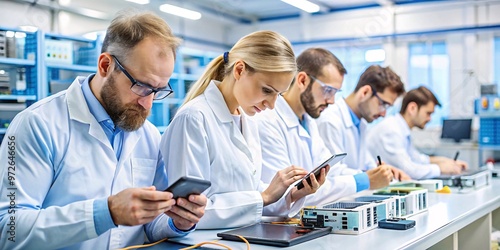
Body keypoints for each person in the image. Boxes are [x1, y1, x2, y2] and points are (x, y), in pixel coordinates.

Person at [0, 11, 206, 249]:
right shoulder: (36, 125)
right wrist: (105, 213)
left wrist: (177, 222)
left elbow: (150, 224)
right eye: (141, 86)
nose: (148, 104)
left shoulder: (147, 134)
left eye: (158, 91)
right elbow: (9, 229)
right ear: (106, 65)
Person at [160, 31, 326, 229]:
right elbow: (188, 211)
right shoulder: (194, 119)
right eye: (267, 90)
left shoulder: (248, 119)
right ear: (239, 70)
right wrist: (263, 197)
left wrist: (289, 194)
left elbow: (248, 192)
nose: (272, 105)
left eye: (278, 95)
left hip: (241, 238)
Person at [257, 48, 394, 206]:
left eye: (335, 92)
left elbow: (329, 171)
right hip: (275, 223)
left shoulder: (309, 121)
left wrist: (369, 175)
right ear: (302, 81)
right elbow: (287, 194)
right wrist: (364, 181)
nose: (332, 101)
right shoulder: (268, 121)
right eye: (328, 90)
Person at [316, 65, 410, 180]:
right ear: (365, 92)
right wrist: (370, 176)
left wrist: (384, 171)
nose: (384, 114)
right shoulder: (330, 121)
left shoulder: (361, 124)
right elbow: (332, 173)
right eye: (383, 104)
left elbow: (366, 166)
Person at [366, 86, 468, 179]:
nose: (430, 119)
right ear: (412, 108)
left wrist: (446, 162)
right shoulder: (391, 130)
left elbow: (417, 158)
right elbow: (409, 171)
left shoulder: (401, 129)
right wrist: (440, 168)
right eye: (428, 113)